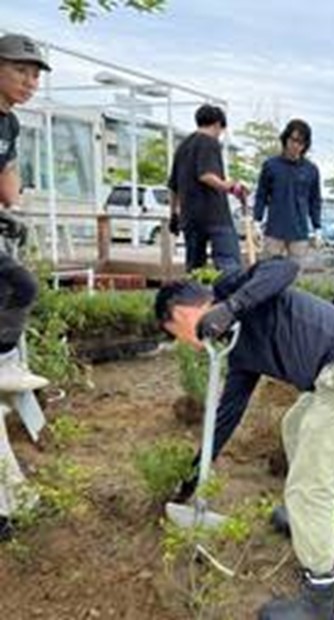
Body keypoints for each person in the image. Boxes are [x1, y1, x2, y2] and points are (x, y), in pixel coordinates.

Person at [155, 257, 334, 619]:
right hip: (333, 374)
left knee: (309, 488)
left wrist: (231, 307)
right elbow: (226, 417)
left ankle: (321, 597)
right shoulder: (236, 352)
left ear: (184, 313)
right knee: (294, 426)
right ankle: (306, 520)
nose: (188, 345)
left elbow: (285, 267)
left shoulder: (231, 288)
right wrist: (193, 474)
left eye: (177, 335)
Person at [0, 31, 51, 542]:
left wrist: (12, 209)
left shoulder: (9, 124)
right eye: (21, 69)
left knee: (20, 285)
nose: (30, 80)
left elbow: (9, 185)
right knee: (17, 283)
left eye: (35, 74)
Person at [168, 104, 246, 272]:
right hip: (214, 215)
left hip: (190, 216)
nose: (219, 135)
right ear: (218, 124)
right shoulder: (209, 142)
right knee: (229, 263)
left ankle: (194, 297)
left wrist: (173, 213)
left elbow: (173, 186)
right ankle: (232, 297)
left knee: (195, 268)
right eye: (221, 130)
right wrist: (230, 186)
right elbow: (206, 175)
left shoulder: (182, 147)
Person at [254, 119, 323, 265]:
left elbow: (315, 201)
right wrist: (257, 221)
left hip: (299, 233)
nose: (296, 146)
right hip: (274, 231)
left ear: (305, 145)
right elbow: (261, 196)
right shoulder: (270, 166)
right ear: (285, 138)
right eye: (293, 140)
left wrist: (317, 227)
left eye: (301, 142)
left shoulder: (311, 170)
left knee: (294, 276)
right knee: (268, 274)